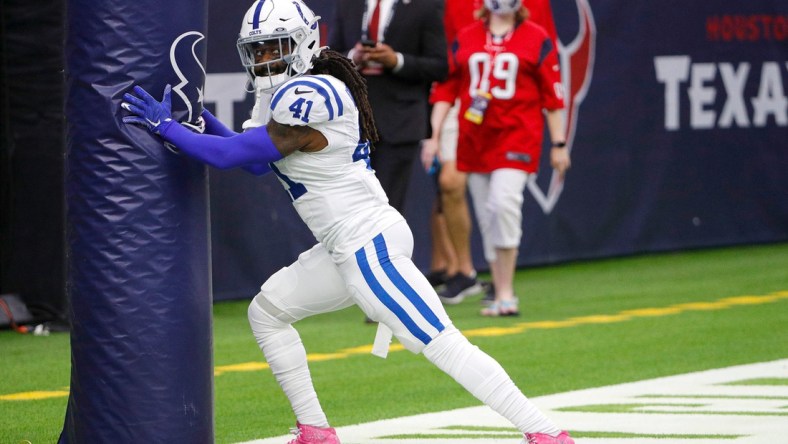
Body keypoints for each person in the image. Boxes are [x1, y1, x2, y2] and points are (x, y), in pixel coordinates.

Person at [121, 1, 573, 443]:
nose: (264, 59)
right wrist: (196, 120)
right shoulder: (281, 94)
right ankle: (316, 431)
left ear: (303, 41)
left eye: (274, 46)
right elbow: (255, 160)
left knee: (442, 342)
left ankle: (546, 432)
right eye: (256, 49)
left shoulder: (313, 94)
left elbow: (233, 156)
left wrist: (168, 127)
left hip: (365, 241)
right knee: (268, 313)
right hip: (344, 245)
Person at [423, 0, 570, 316]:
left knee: (502, 203)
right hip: (475, 139)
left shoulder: (536, 37)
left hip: (518, 134)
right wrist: (433, 136)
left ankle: (506, 290)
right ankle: (501, 291)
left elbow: (553, 96)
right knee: (488, 213)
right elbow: (448, 89)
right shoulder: (467, 35)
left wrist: (559, 143)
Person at [327, 0, 448, 215]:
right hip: (350, 124)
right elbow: (328, 59)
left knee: (387, 212)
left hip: (400, 123)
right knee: (346, 211)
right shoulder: (347, 4)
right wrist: (353, 58)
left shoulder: (426, 5)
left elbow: (439, 66)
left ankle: (387, 250)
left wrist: (397, 60)